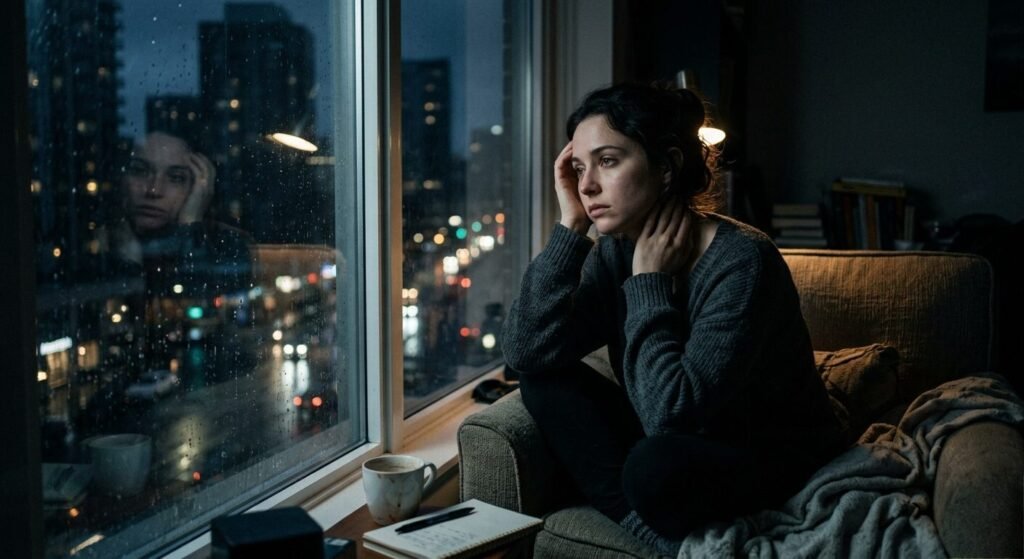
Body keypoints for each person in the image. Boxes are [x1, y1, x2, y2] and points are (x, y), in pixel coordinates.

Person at [501, 83, 843, 555]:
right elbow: (525, 352)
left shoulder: (743, 262)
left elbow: (671, 417)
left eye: (607, 161)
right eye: (579, 168)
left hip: (765, 451)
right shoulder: (615, 250)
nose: (587, 186)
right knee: (543, 379)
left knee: (653, 466)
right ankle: (651, 530)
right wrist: (571, 228)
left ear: (666, 167)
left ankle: (647, 518)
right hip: (672, 432)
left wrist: (650, 282)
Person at [107, 129, 253, 297]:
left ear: (199, 187)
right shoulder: (92, 243)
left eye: (176, 178)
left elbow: (201, 298)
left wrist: (189, 227)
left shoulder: (230, 246)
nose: (154, 190)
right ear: (121, 178)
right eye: (140, 171)